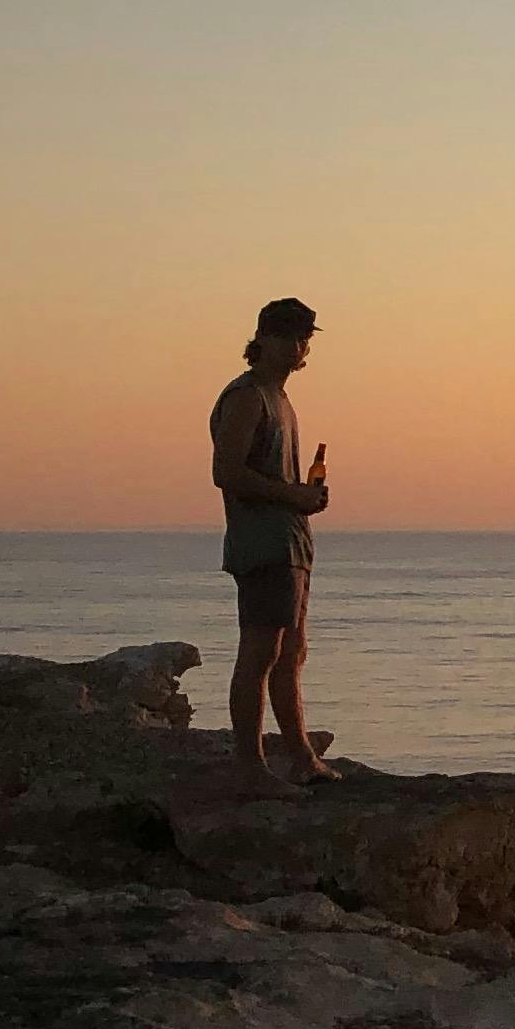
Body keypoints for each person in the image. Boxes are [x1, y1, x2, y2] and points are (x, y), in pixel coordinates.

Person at [209, 298, 335, 797]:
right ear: (262, 338)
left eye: (303, 337)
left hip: (291, 544)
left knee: (291, 654)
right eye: (287, 335)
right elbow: (227, 472)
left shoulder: (279, 399)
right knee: (259, 654)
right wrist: (294, 496)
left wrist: (302, 500)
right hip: (262, 545)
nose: (297, 345)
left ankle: (301, 757)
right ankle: (250, 767)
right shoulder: (247, 397)